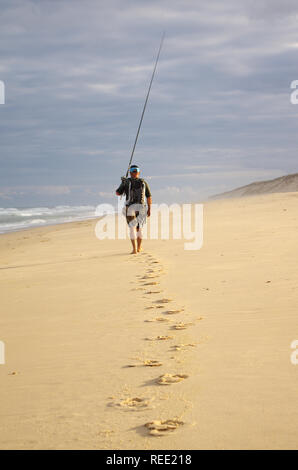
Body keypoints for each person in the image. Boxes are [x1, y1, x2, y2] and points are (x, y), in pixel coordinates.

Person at [116, 164, 152, 254]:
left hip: (130, 207)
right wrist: (149, 209)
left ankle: (134, 249)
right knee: (139, 229)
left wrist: (122, 183)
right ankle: (139, 248)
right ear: (139, 172)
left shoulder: (126, 182)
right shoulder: (144, 182)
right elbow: (149, 197)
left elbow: (118, 193)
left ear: (130, 172)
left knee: (132, 228)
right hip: (142, 207)